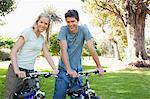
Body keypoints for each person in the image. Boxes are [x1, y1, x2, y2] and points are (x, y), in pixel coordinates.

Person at [4, 13, 59, 99]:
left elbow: (46, 54)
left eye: (46, 24)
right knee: (11, 96)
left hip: (30, 71)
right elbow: (13, 51)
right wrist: (17, 70)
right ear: (37, 22)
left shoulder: (41, 38)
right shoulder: (28, 32)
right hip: (17, 69)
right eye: (41, 22)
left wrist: (54, 68)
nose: (43, 25)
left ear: (48, 26)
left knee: (33, 95)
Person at [53, 9, 104, 99]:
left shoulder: (84, 29)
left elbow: (91, 48)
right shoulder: (63, 30)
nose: (70, 24)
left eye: (73, 21)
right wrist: (69, 69)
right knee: (59, 97)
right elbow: (63, 50)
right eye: (68, 22)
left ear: (78, 20)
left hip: (78, 71)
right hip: (63, 71)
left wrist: (99, 66)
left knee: (79, 96)